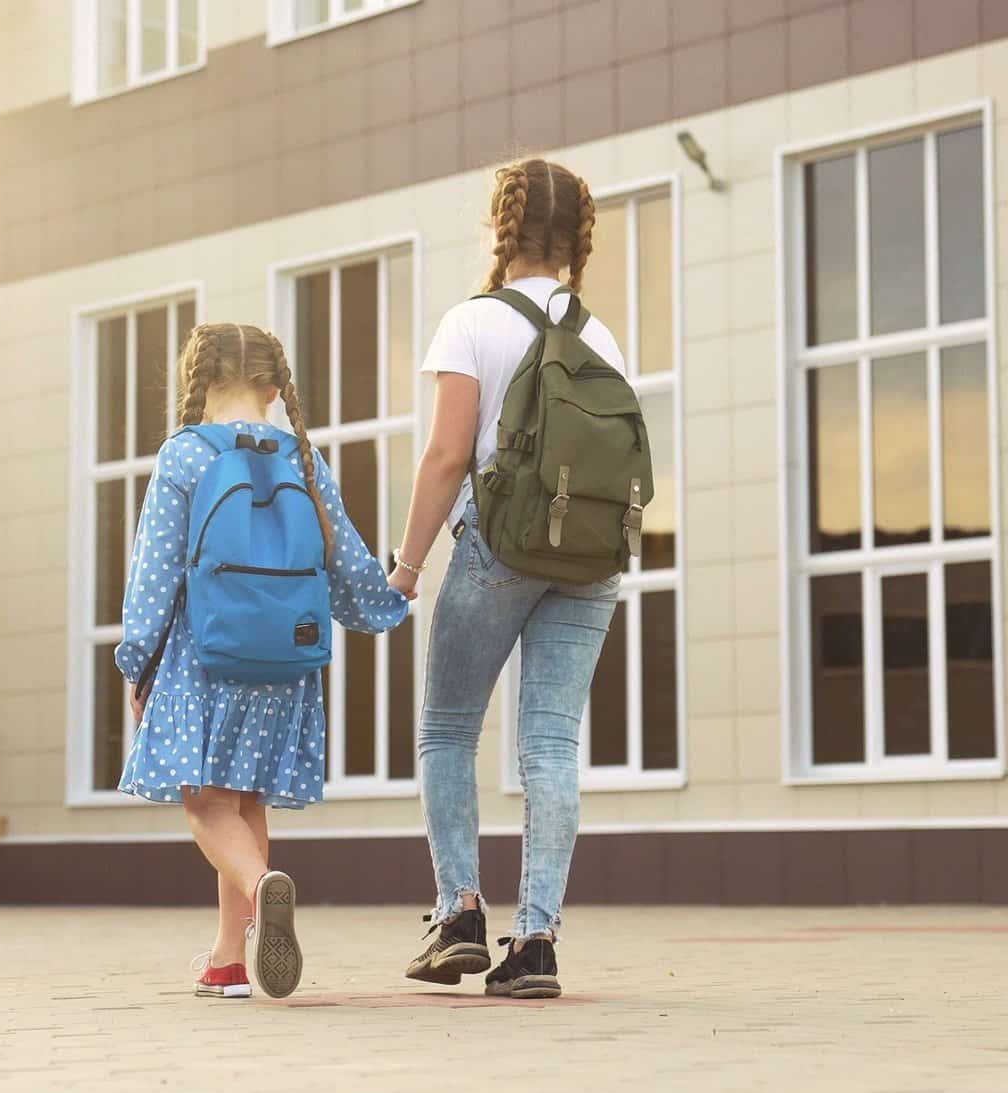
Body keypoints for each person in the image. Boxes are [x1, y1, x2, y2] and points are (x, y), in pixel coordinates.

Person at [388, 157, 626, 999]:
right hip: (591, 558)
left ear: (502, 226)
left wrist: (408, 564)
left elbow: (450, 454)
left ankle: (458, 914)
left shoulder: (472, 321)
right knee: (551, 743)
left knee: (448, 729)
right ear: (576, 238)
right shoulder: (601, 336)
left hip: (502, 546)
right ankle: (537, 941)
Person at [115, 323, 409, 1000]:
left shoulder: (185, 455)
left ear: (198, 380)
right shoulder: (304, 457)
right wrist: (392, 594)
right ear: (275, 387)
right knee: (244, 801)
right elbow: (345, 562)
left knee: (205, 806)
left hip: (205, 657)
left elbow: (153, 573)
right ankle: (227, 958)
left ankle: (261, 886)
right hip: (287, 661)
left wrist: (140, 660)